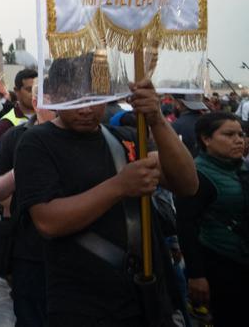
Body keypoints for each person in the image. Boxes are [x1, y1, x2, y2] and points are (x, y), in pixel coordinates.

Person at [15, 75, 199, 326]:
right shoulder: (37, 142)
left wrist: (156, 119)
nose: (87, 109)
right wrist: (119, 186)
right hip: (83, 299)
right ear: (56, 97)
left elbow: (187, 184)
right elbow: (48, 221)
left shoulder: (125, 138)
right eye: (76, 99)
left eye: (95, 98)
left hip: (146, 291)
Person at [0, 82, 55, 326]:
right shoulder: (16, 136)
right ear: (36, 104)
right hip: (29, 254)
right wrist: (17, 176)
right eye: (51, 102)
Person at [175, 112, 249, 327]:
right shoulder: (197, 175)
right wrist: (196, 275)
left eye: (240, 134)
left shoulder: (241, 168)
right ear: (206, 139)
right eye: (229, 134)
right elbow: (186, 226)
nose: (238, 140)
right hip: (221, 265)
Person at [0, 68, 37, 145]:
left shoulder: (49, 116)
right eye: (29, 90)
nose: (34, 94)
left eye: (37, 89)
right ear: (16, 91)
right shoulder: (5, 124)